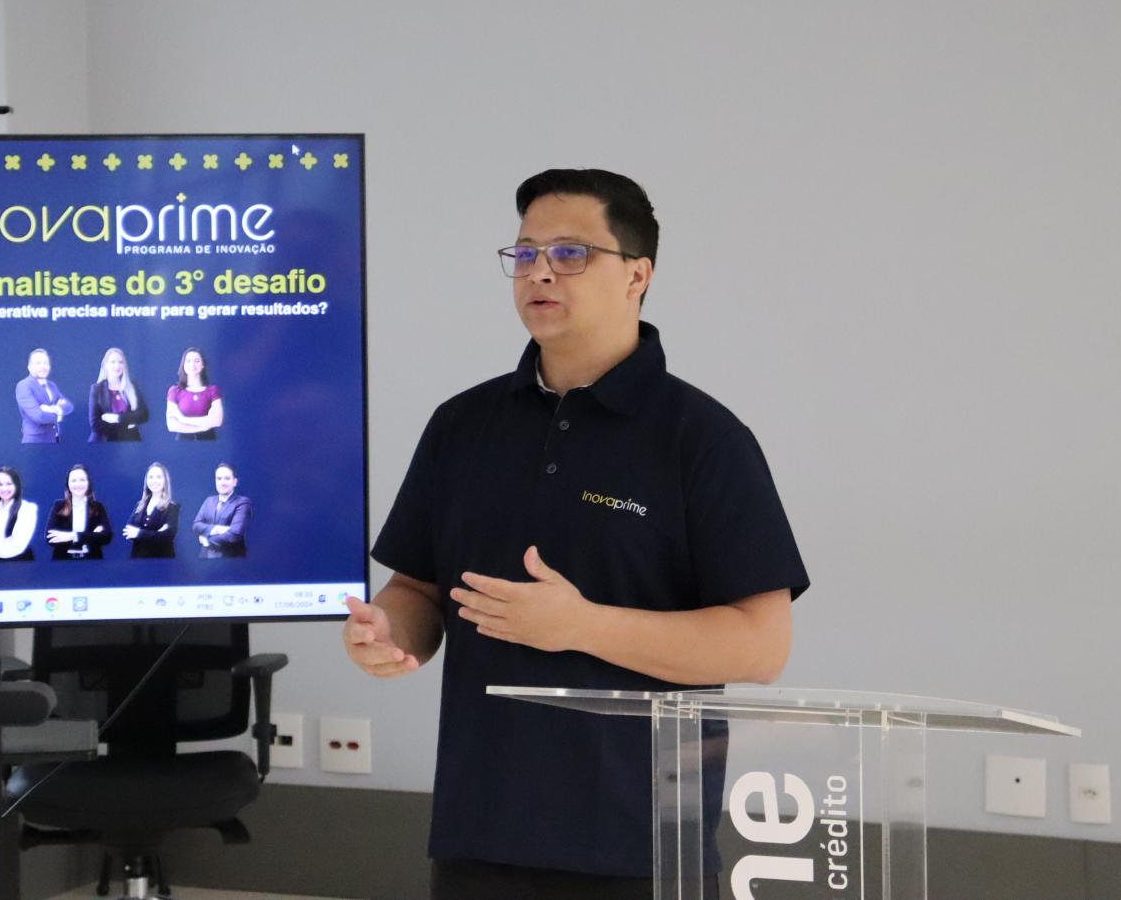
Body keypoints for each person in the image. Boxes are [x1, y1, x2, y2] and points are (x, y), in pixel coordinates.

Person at [342, 169, 808, 899]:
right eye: (525, 254)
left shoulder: (702, 439)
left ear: (637, 276)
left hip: (640, 847)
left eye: (570, 253)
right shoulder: (462, 426)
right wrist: (389, 633)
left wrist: (581, 626)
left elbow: (761, 646)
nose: (539, 272)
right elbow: (418, 591)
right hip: (479, 835)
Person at [44, 464, 112, 560]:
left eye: (82, 480)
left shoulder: (98, 507)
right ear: (68, 484)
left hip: (92, 561)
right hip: (63, 562)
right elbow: (50, 537)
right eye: (73, 480)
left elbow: (106, 537)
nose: (78, 484)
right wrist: (92, 536)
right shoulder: (59, 506)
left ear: (88, 483)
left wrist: (73, 536)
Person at [88, 346, 149, 441]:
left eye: (121, 362)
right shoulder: (97, 389)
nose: (117, 366)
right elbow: (95, 424)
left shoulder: (132, 386)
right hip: (104, 442)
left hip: (130, 441)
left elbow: (144, 415)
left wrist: (118, 418)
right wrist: (128, 423)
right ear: (106, 365)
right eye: (113, 362)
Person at [15, 348, 75, 443]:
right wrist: (59, 415)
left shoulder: (52, 385)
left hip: (54, 438)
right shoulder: (24, 386)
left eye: (46, 363)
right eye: (38, 363)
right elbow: (39, 416)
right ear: (29, 367)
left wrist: (53, 409)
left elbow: (69, 406)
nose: (43, 366)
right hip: (35, 442)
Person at [191, 463, 249, 558]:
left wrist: (207, 540)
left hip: (230, 559)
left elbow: (234, 535)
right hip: (205, 557)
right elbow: (196, 525)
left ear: (235, 482)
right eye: (219, 478)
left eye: (227, 478)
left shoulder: (242, 502)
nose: (222, 482)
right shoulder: (209, 501)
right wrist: (217, 529)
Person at [123, 461, 180, 559]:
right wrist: (156, 533)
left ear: (165, 480)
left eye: (158, 477)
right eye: (151, 477)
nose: (154, 480)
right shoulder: (140, 505)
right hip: (138, 559)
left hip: (162, 561)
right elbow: (128, 530)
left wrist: (139, 533)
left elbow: (168, 536)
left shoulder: (172, 507)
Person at [166, 346, 223, 440]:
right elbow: (172, 425)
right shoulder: (175, 391)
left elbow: (217, 420)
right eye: (188, 361)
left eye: (196, 361)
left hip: (208, 441)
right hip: (183, 442)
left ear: (203, 364)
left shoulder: (212, 390)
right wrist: (203, 426)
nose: (192, 365)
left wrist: (183, 419)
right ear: (183, 365)